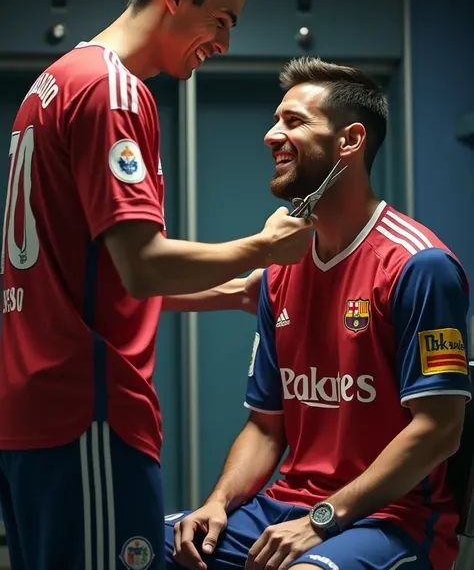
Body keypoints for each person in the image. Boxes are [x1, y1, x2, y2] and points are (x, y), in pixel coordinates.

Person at [0, 0, 315, 570]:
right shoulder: (114, 90)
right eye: (221, 19)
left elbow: (93, 275)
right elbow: (141, 267)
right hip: (83, 414)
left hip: (33, 412)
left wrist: (226, 293)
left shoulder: (57, 80)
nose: (225, 42)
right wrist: (261, 247)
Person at [165, 57, 472, 570]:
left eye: (293, 121)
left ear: (349, 141)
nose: (271, 135)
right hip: (285, 506)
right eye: (275, 119)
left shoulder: (420, 266)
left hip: (392, 519)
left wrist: (321, 521)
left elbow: (441, 429)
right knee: (144, 545)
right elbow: (266, 427)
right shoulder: (282, 266)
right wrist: (218, 502)